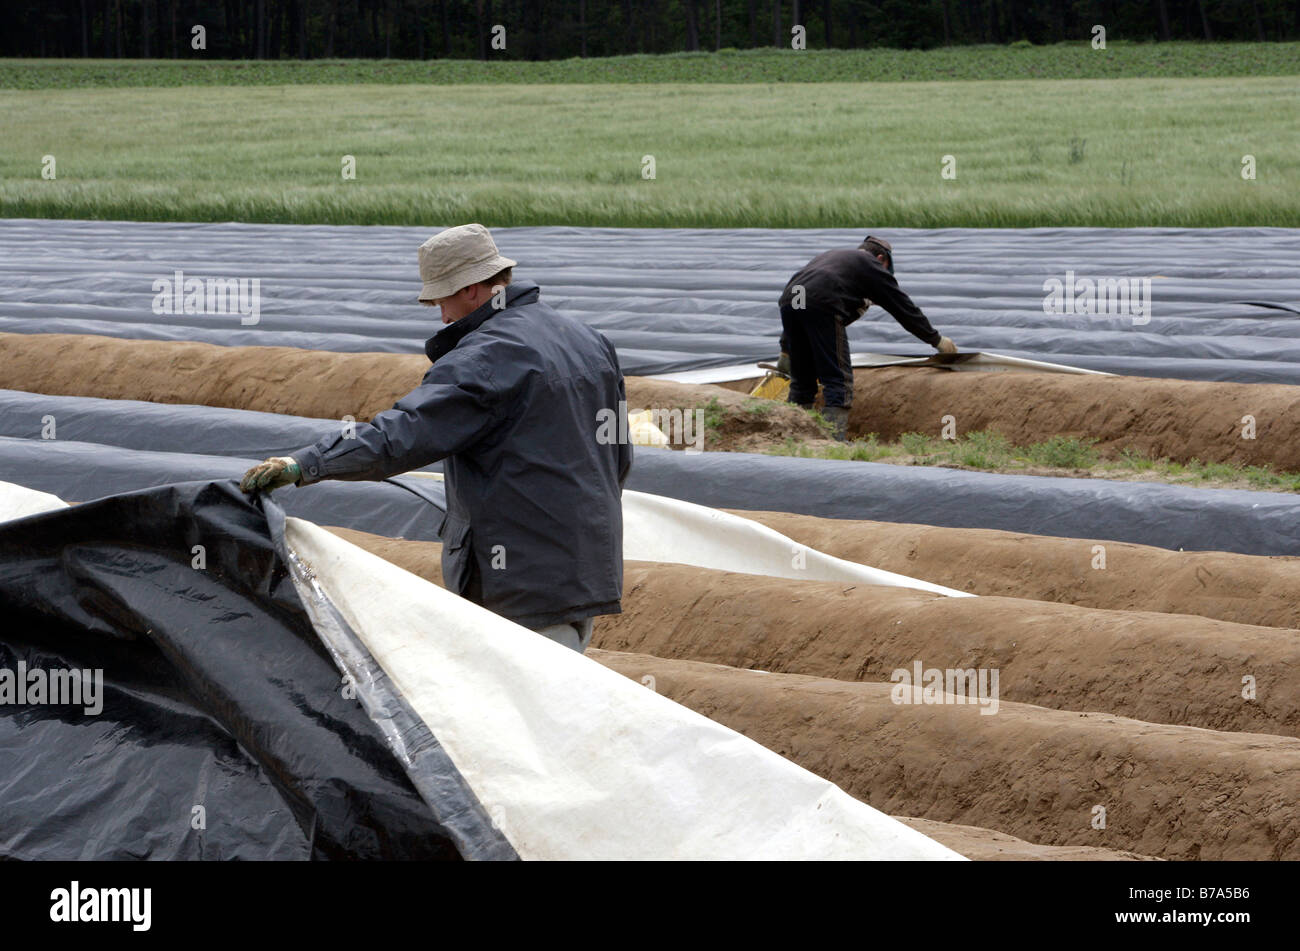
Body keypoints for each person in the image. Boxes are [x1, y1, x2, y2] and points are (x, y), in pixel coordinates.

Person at [240, 223, 632, 654]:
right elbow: (618, 456)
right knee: (564, 694)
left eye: (442, 299)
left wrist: (305, 464)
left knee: (520, 705)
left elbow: (400, 436)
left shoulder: (485, 357)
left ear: (470, 290)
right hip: (588, 564)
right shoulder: (588, 340)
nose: (443, 316)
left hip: (520, 580)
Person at [777, 235, 957, 441]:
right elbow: (903, 308)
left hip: (791, 298)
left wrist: (787, 348)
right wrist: (935, 339)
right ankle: (831, 441)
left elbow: (803, 298)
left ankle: (793, 439)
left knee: (802, 381)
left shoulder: (833, 257)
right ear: (881, 258)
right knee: (837, 379)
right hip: (823, 302)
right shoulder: (871, 264)